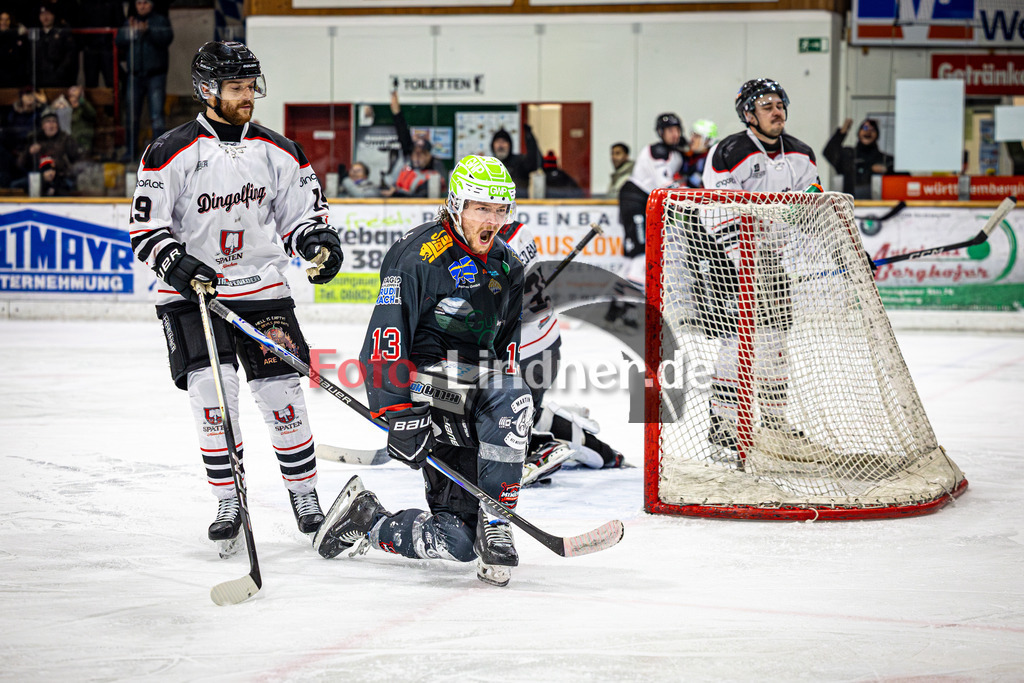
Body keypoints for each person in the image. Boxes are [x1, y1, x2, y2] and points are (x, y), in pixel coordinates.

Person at [128, 41, 344, 555]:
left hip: (262, 288)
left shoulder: (281, 150)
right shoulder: (168, 151)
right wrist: (177, 263)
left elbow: (302, 218)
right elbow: (146, 228)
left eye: (251, 87)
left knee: (283, 395)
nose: (248, 96)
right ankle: (230, 501)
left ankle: (306, 497)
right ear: (207, 90)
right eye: (236, 89)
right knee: (213, 394)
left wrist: (316, 243)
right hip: (191, 296)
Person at [314, 155, 529, 588]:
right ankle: (498, 520)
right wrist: (399, 412)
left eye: (500, 210)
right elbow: (382, 345)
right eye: (481, 208)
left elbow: (506, 350)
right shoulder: (418, 257)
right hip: (425, 385)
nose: (493, 219)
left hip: (474, 393)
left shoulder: (508, 265)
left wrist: (505, 432)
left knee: (457, 543)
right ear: (456, 205)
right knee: (511, 395)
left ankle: (367, 520)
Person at [700, 77, 820, 454]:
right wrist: (743, 260)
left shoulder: (802, 154)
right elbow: (717, 211)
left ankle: (772, 420)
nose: (776, 111)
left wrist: (841, 247)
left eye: (779, 104)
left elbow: (812, 209)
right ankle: (723, 423)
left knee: (774, 340)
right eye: (766, 105)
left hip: (771, 260)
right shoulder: (728, 151)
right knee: (736, 342)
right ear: (748, 113)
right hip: (727, 259)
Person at [497, 218, 626, 485]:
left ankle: (559, 447)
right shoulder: (521, 230)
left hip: (525, 356)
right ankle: (542, 419)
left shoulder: (493, 247)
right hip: (544, 346)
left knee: (497, 452)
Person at [608, 112, 684, 325]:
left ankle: (614, 308)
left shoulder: (675, 154)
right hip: (635, 201)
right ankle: (629, 311)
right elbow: (666, 186)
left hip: (647, 204)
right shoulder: (655, 151)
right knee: (642, 254)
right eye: (669, 130)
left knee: (633, 258)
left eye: (677, 129)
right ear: (660, 133)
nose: (674, 134)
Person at [116, 0, 173, 162]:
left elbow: (166, 39)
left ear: (152, 4)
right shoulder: (130, 21)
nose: (141, 6)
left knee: (157, 116)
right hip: (134, 75)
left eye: (145, 3)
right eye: (139, 3)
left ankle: (159, 153)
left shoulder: (160, 20)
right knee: (132, 115)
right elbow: (119, 41)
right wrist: (131, 32)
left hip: (156, 74)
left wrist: (148, 31)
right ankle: (131, 151)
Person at [381, 90, 446, 198]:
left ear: (429, 156)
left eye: (422, 153)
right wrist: (396, 111)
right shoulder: (408, 161)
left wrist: (397, 194)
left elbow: (424, 196)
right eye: (415, 153)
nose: (418, 156)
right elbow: (402, 130)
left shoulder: (436, 169)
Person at [823, 117, 893, 199]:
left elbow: (901, 176)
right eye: (865, 128)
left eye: (873, 130)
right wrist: (843, 131)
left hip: (877, 207)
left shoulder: (884, 159)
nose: (868, 132)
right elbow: (829, 152)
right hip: (850, 205)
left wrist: (887, 170)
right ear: (859, 132)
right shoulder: (848, 155)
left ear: (877, 135)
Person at [18, 108, 80, 180]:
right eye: (48, 121)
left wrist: (58, 164)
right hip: (38, 177)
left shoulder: (66, 139)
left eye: (54, 121)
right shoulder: (34, 139)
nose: (51, 124)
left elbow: (76, 160)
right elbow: (20, 165)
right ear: (42, 126)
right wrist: (29, 152)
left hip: (60, 176)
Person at [33, 2, 78, 87]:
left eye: (48, 14)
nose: (45, 18)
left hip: (60, 78)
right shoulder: (37, 33)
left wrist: (61, 70)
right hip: (41, 79)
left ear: (53, 16)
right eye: (42, 15)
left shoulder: (63, 32)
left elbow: (70, 54)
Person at [490, 125, 540, 199]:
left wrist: (529, 138)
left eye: (504, 142)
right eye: (498, 142)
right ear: (493, 145)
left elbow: (534, 163)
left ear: (510, 145)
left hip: (519, 203)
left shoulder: (520, 161)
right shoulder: (489, 164)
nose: (501, 145)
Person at [679, 119, 717, 188]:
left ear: (707, 140)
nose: (691, 139)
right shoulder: (690, 156)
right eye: (692, 135)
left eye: (696, 136)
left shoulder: (713, 159)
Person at [0, 10, 28, 87]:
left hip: (13, 78)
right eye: (1, 19)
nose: (4, 22)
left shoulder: (16, 37)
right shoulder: (15, 32)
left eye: (7, 20)